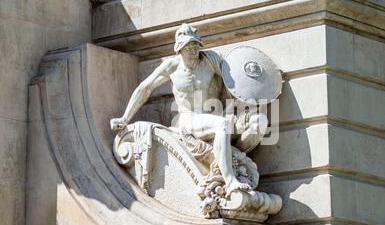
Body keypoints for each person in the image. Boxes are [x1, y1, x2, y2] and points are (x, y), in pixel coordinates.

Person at [111, 23, 268, 194]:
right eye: (188, 47)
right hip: (190, 119)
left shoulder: (211, 59)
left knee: (259, 121)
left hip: (216, 114)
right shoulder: (172, 66)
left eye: (195, 46)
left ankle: (228, 156)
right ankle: (230, 180)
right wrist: (125, 118)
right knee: (221, 125)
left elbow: (237, 80)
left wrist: (260, 84)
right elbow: (145, 88)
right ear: (179, 49)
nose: (193, 51)